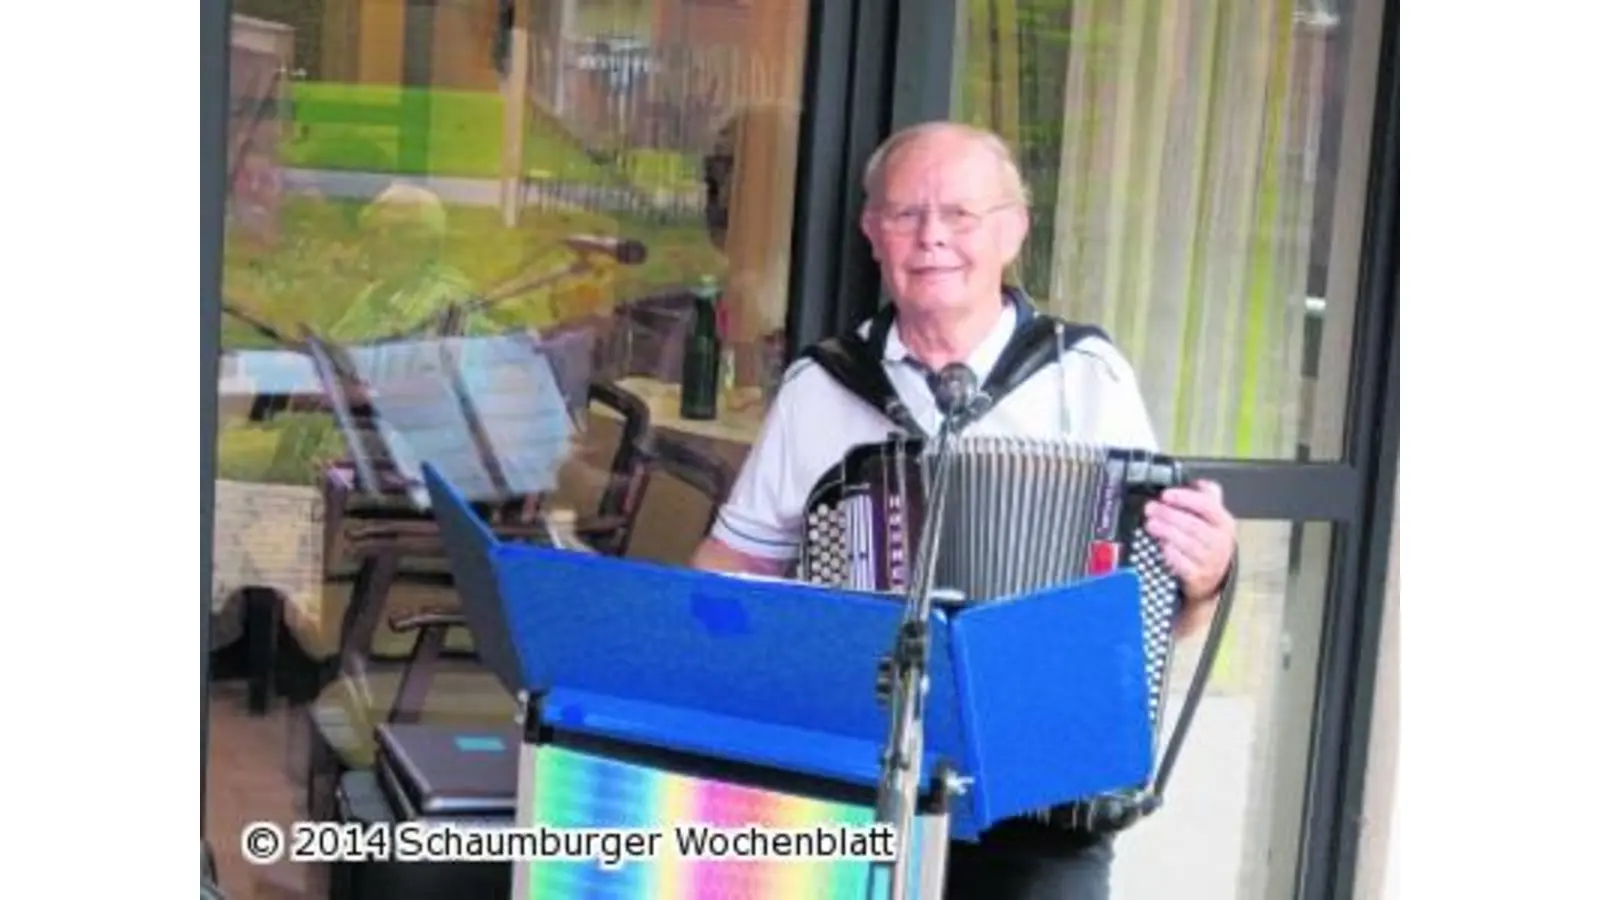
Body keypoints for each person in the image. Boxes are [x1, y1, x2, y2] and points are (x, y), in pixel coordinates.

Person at [689, 121, 1239, 899]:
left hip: (1039, 798)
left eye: (961, 216)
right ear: (872, 232)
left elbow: (1154, 615)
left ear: (1013, 230)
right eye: (906, 215)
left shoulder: (1084, 377)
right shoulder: (824, 387)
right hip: (854, 786)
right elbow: (733, 566)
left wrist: (1207, 573)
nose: (931, 238)